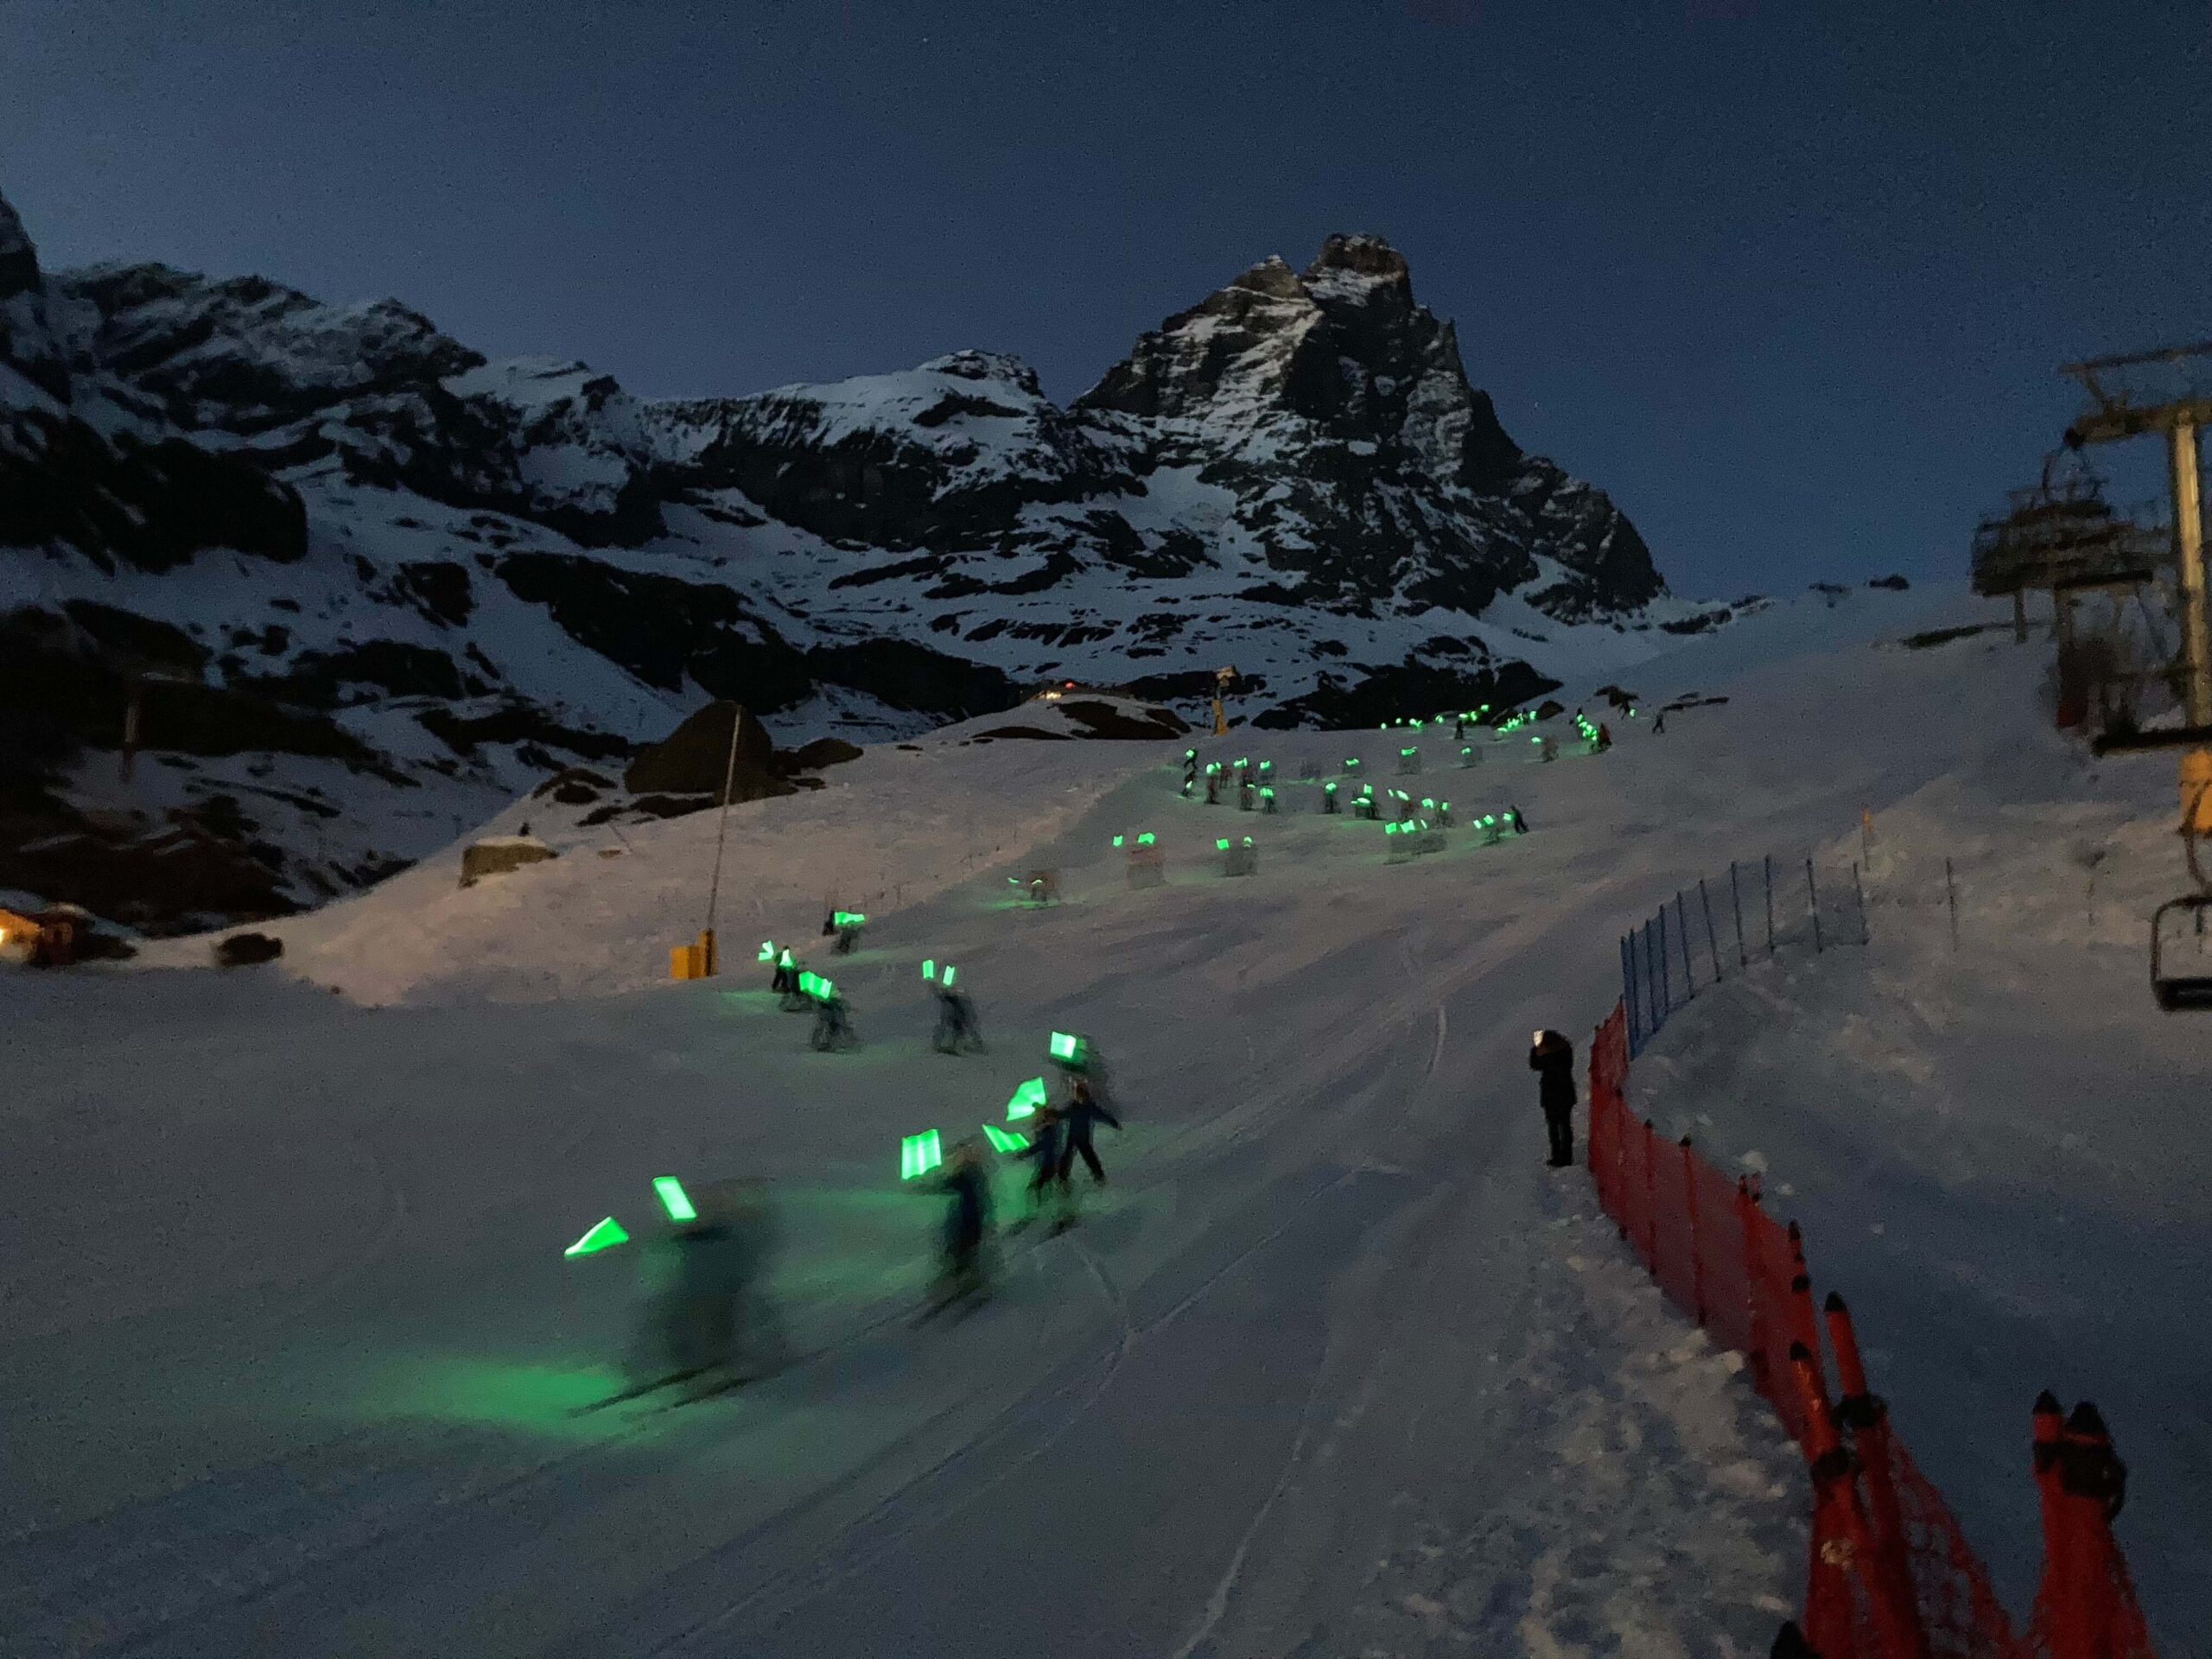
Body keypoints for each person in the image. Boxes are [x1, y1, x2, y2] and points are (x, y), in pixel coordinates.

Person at [924, 1140, 994, 1313]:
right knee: (957, 1257)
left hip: (969, 1225)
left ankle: (973, 1285)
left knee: (964, 1257)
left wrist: (926, 1186)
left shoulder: (970, 1175)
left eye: (961, 1155)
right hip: (960, 1225)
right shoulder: (967, 1174)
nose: (957, 1159)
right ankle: (965, 1284)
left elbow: (948, 1185)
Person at [1012, 1102, 1069, 1229]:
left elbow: (1042, 1145)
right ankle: (1054, 1213)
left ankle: (1046, 1214)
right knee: (1046, 1188)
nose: (1035, 1116)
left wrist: (1023, 1154)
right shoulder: (1045, 1128)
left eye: (1038, 1113)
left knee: (1035, 1188)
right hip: (1047, 1164)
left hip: (1050, 1164)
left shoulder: (1049, 1130)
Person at [1058, 1076, 1122, 1186]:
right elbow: (1062, 1114)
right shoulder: (1072, 1107)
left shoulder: (1089, 1107)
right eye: (1077, 1096)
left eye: (1080, 1096)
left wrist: (1113, 1122)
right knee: (1067, 1156)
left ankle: (1099, 1175)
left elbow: (1102, 1115)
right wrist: (1050, 1114)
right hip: (1073, 1136)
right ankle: (1062, 1177)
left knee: (1089, 1156)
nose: (1079, 1098)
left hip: (1083, 1137)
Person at [1529, 1028, 1578, 1167]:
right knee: (1564, 1126)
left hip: (1553, 1094)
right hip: (1564, 1094)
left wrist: (1539, 1052)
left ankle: (1559, 1156)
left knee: (1556, 1127)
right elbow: (1535, 1064)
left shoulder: (1555, 1055)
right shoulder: (1565, 1050)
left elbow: (1537, 1065)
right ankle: (1565, 1157)